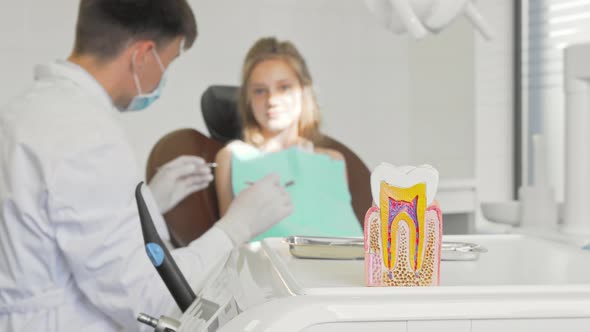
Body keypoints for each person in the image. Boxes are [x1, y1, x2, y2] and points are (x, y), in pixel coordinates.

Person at [0, 2, 292, 332]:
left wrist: (149, 204)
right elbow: (150, 297)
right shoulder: (86, 134)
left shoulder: (26, 111)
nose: (161, 80)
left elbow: (64, 225)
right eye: (168, 63)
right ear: (142, 55)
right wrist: (237, 226)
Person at [215, 37, 362, 240]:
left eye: (284, 87)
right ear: (247, 99)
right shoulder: (233, 157)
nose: (271, 100)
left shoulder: (333, 160)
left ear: (304, 91)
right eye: (259, 91)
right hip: (268, 268)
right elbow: (228, 244)